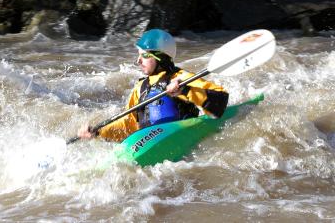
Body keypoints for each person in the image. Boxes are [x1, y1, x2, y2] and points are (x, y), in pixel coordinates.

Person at [78, 29, 229, 142]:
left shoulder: (180, 78)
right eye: (138, 55)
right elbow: (129, 124)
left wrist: (186, 90)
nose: (138, 61)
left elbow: (221, 99)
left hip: (180, 136)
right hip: (149, 141)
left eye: (144, 55)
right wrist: (99, 132)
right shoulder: (141, 88)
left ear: (160, 57)